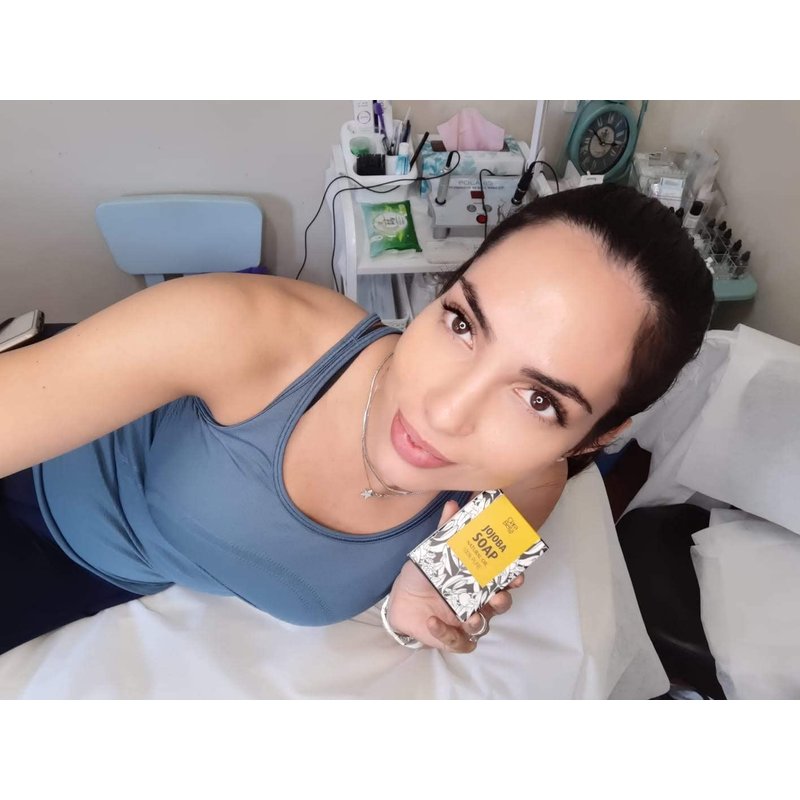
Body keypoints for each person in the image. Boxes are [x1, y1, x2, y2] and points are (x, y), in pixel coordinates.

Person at [0, 183, 714, 658]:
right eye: (462, 323)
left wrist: (434, 587)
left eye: (538, 400)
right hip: (31, 492)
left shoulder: (529, 475)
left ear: (595, 438)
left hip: (120, 578)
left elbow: (539, 484)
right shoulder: (239, 329)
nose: (443, 411)